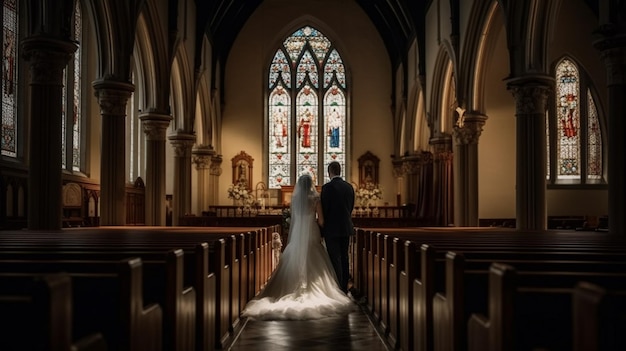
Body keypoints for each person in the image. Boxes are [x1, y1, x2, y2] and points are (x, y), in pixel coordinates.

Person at [241, 174, 354, 320]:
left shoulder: (295, 199)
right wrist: (322, 228)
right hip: (311, 231)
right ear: (311, 184)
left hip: (298, 232)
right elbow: (321, 220)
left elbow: (295, 218)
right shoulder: (315, 199)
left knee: (294, 257)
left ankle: (290, 288)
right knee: (315, 254)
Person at [320, 161, 355, 294]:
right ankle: (345, 285)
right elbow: (350, 207)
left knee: (335, 257)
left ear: (329, 172)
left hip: (331, 228)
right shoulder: (349, 187)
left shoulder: (327, 188)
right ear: (340, 171)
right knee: (345, 256)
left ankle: (338, 287)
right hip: (346, 227)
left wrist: (322, 228)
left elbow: (324, 209)